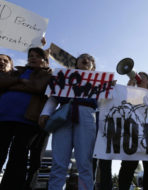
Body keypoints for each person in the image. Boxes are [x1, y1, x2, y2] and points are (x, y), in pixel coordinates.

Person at [40, 53, 98, 190]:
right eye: (82, 57)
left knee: (84, 162)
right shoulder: (64, 76)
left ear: (93, 67)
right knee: (59, 162)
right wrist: (45, 112)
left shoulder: (100, 81)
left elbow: (105, 104)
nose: (86, 59)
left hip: (87, 115)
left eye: (90, 59)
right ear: (76, 62)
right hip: (64, 114)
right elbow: (54, 97)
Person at [0, 47, 51, 190]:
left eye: (37, 56)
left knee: (18, 155)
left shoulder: (49, 74)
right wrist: (22, 81)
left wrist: (16, 84)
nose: (32, 58)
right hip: (4, 117)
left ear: (45, 60)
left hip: (28, 119)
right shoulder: (18, 71)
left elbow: (40, 87)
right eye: (30, 56)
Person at [118, 72, 148, 190]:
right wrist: (128, 89)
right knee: (127, 168)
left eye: (143, 76)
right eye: (138, 76)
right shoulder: (130, 94)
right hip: (132, 136)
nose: (139, 78)